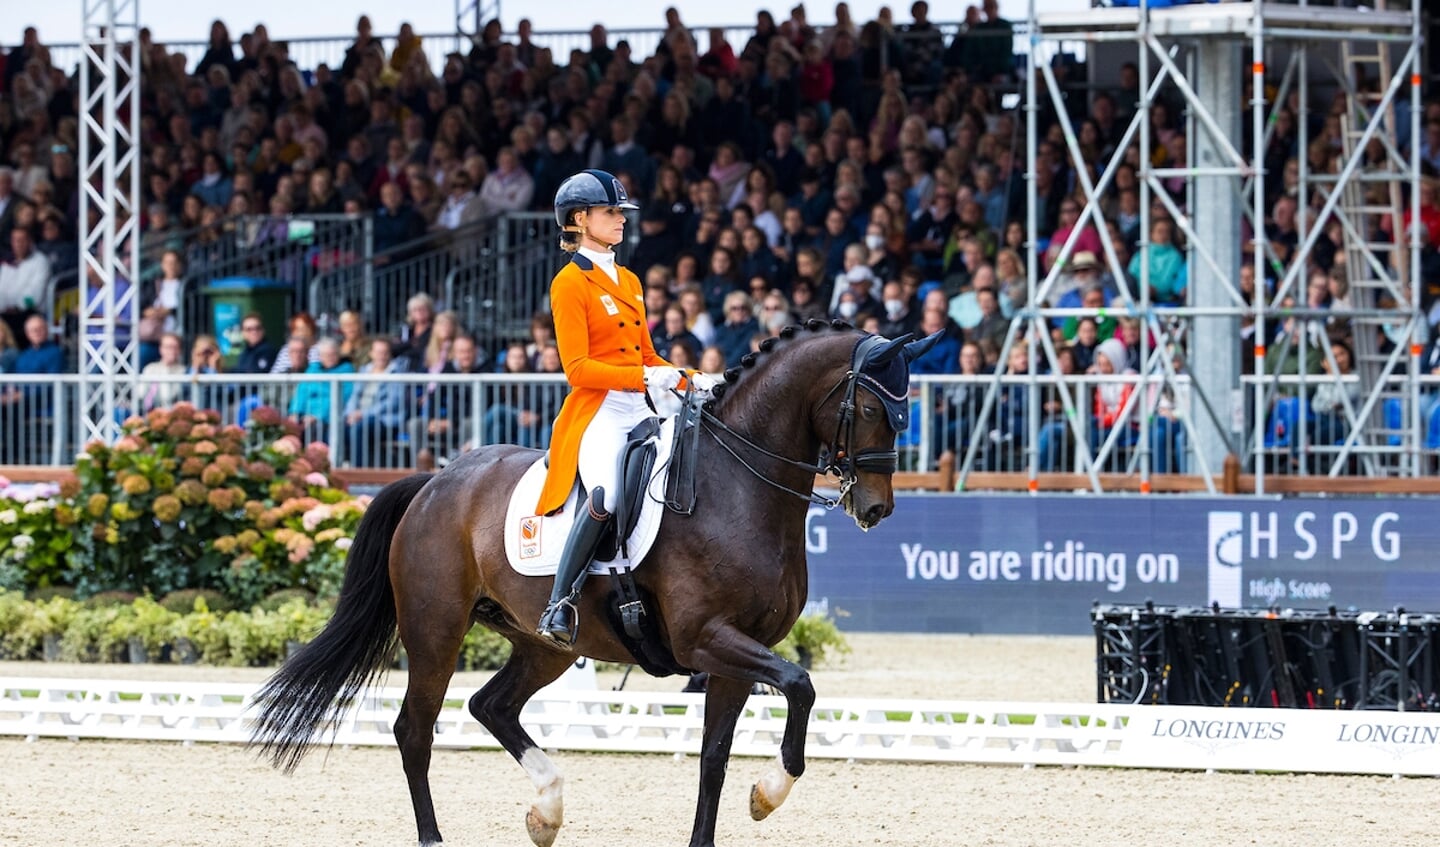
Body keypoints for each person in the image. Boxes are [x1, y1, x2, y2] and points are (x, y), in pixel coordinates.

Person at [534, 169, 720, 648]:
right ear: (580, 219)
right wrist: (644, 376)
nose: (620, 220)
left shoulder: (632, 280)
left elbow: (648, 355)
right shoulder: (569, 284)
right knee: (606, 497)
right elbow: (577, 369)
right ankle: (560, 602)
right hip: (598, 412)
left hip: (639, 406)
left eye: (620, 213)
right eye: (611, 212)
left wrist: (692, 378)